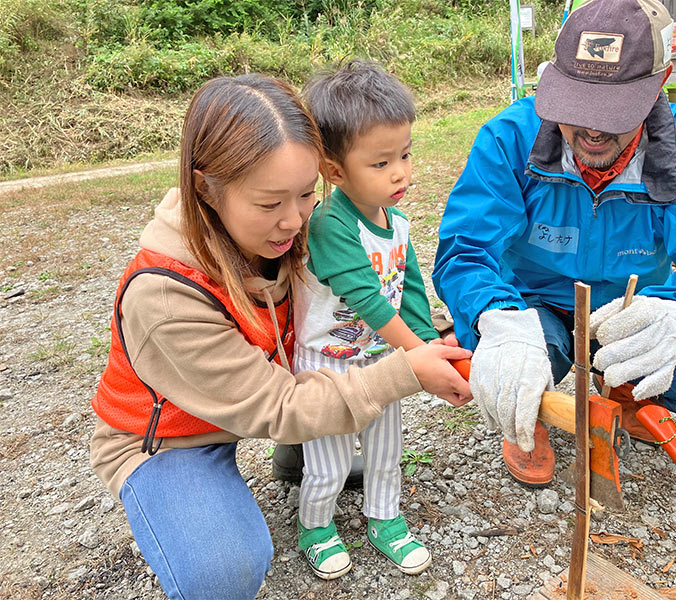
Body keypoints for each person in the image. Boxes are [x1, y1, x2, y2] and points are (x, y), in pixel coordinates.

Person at [89, 74, 471, 600]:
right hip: (173, 440)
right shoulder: (163, 297)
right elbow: (278, 406)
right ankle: (213, 494)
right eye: (270, 203)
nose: (294, 220)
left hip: (260, 399)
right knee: (222, 572)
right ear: (206, 188)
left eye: (308, 193)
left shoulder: (299, 233)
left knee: (352, 447)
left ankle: (297, 457)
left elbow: (378, 285)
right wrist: (405, 371)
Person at [432, 0, 676, 490]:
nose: (591, 130)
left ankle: (627, 384)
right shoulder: (510, 137)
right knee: (492, 355)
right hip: (535, 310)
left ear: (661, 85)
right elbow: (465, 250)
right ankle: (530, 412)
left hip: (628, 314)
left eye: (613, 113)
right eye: (577, 107)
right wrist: (500, 320)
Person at [288, 60, 448, 579]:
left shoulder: (397, 221)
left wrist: (430, 344)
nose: (400, 171)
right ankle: (316, 526)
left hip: (382, 356)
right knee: (329, 462)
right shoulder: (330, 225)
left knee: (385, 450)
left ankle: (385, 518)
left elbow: (411, 292)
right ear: (335, 172)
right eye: (380, 163)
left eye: (404, 155)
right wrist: (420, 356)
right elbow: (369, 301)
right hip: (327, 364)